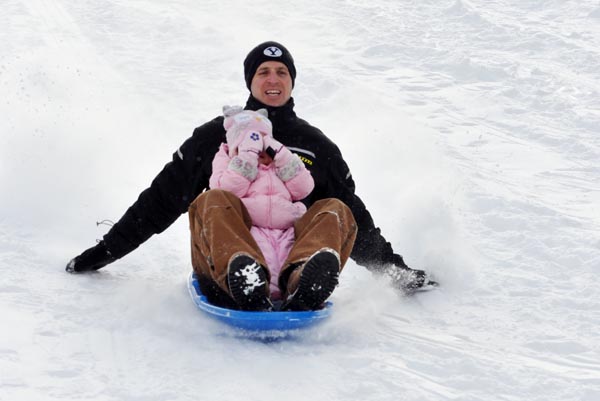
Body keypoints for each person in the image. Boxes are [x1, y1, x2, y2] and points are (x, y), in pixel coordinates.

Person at [66, 40, 437, 310]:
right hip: (222, 265)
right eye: (263, 72)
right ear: (250, 81)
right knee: (214, 200)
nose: (272, 79)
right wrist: (106, 251)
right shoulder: (217, 136)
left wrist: (392, 271)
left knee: (336, 207)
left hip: (289, 260)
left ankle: (304, 279)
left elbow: (353, 216)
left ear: (292, 82)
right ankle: (244, 275)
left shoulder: (315, 145)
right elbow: (163, 198)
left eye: (281, 72)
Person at [205, 106, 322, 311]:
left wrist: (283, 156)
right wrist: (247, 157)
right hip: (248, 230)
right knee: (252, 258)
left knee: (292, 254)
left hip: (285, 230)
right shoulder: (226, 159)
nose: (259, 149)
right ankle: (251, 285)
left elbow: (304, 188)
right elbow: (225, 191)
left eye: (263, 141)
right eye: (250, 142)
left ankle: (302, 283)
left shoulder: (279, 164)